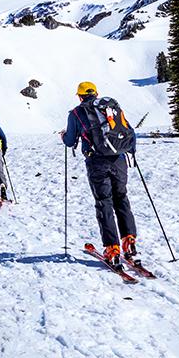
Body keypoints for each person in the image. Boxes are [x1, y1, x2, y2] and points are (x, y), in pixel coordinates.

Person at [61, 81, 139, 269]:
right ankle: (129, 240)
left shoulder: (76, 113)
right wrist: (131, 151)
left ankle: (112, 248)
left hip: (96, 162)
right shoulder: (110, 107)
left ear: (80, 96)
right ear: (96, 93)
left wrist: (63, 136)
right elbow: (127, 130)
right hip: (119, 160)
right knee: (121, 198)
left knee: (104, 201)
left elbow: (71, 141)